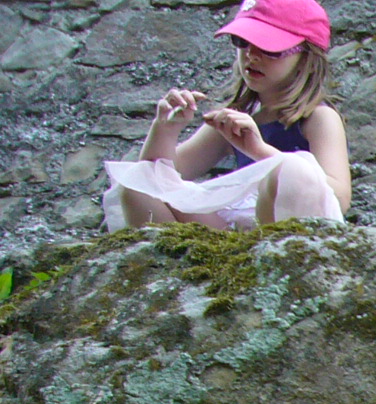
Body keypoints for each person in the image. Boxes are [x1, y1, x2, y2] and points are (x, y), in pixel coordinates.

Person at [101, 0, 348, 232]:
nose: (252, 55)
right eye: (242, 42)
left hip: (290, 234)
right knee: (136, 187)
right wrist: (165, 128)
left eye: (269, 48)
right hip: (238, 233)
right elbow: (156, 178)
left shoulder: (318, 117)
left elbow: (339, 197)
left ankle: (263, 255)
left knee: (294, 171)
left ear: (306, 57)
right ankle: (180, 263)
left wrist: (260, 152)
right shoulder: (236, 119)